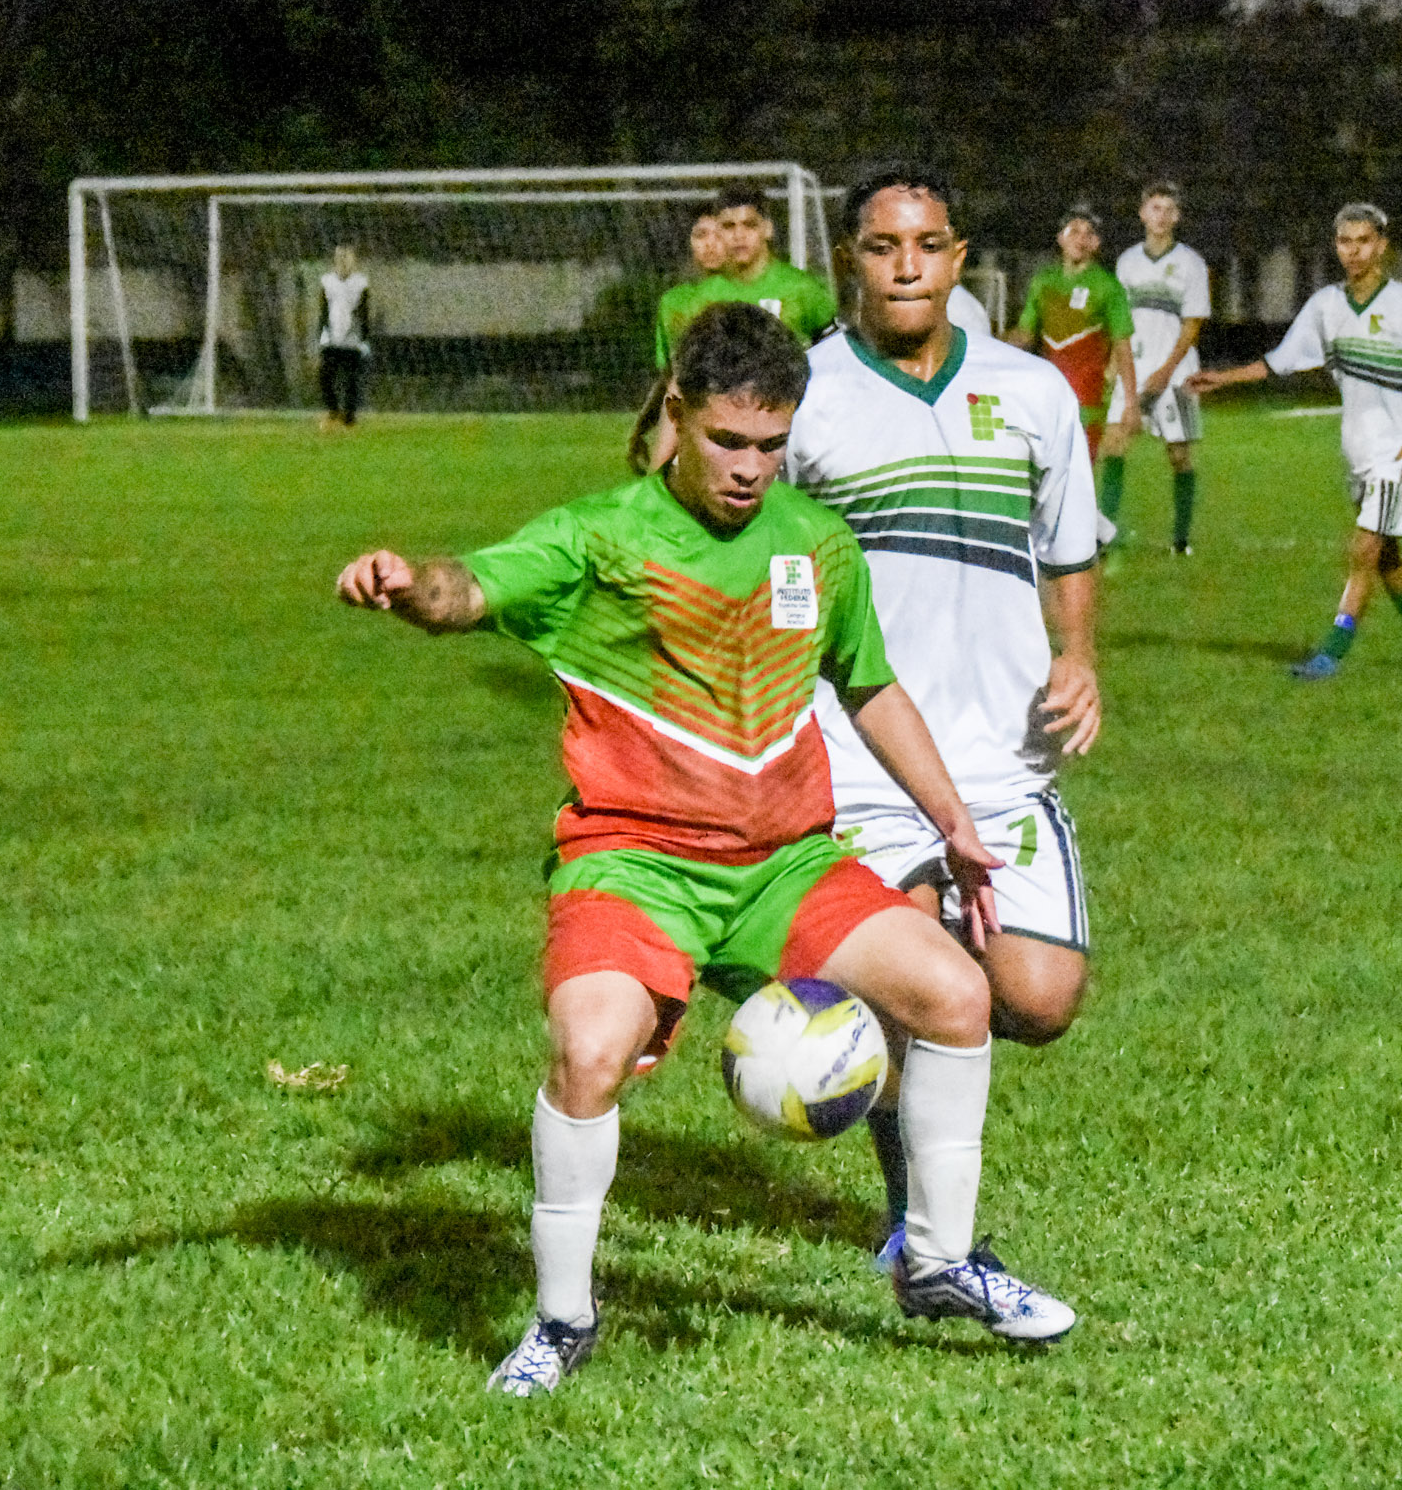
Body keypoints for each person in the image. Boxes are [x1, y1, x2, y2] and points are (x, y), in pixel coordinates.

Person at [336, 304, 1077, 1397]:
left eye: (771, 445)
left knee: (954, 995)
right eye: (728, 442)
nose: (748, 469)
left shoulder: (814, 547)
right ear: (676, 416)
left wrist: (953, 824)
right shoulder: (599, 539)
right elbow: (469, 589)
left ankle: (937, 1260)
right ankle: (560, 1319)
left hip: (782, 865)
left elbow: (866, 686)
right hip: (633, 864)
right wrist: (410, 588)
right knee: (588, 1054)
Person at [784, 165, 1102, 1268]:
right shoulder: (805, 397)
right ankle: (918, 1224)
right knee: (922, 981)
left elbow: (1068, 546)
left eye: (927, 245)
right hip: (861, 752)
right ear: (850, 264)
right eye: (882, 247)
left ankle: (882, 1042)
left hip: (1003, 757)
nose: (906, 265)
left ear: (959, 259)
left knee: (1040, 996)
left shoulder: (1030, 392)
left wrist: (1078, 657)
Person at [1187, 202, 1402, 678]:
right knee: (1387, 555)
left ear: (1382, 246)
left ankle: (1330, 654)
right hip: (1358, 453)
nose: (1353, 251)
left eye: (1363, 241)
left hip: (1395, 457)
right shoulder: (1326, 306)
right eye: (1344, 242)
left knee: (1363, 551)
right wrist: (1224, 379)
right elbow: (1279, 361)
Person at [637, 184, 842, 472]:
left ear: (767, 229)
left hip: (799, 436)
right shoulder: (699, 301)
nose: (738, 235)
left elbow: (835, 364)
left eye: (749, 225)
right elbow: (680, 386)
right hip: (728, 442)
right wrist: (657, 466)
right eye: (728, 226)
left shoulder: (802, 290)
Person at [1097, 182, 1210, 555]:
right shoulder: (1126, 263)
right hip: (1135, 368)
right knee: (1114, 445)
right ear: (1142, 213)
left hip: (1175, 373)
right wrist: (1114, 363)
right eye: (1154, 208)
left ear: (1176, 217)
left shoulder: (1191, 264)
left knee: (1179, 456)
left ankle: (1181, 539)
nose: (1160, 216)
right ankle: (1106, 534)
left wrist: (1167, 369)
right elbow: (1120, 320)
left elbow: (1193, 324)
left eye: (1168, 209)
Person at [1008, 203, 1139, 463]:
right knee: (1043, 466)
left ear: (1096, 243)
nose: (1081, 238)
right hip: (1047, 390)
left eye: (1088, 233)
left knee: (1079, 468)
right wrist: (993, 347)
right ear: (1060, 238)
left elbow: (1122, 345)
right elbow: (1025, 333)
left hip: (1088, 392)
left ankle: (1088, 505)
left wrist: (1131, 403)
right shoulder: (1044, 280)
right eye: (1074, 231)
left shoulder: (1107, 287)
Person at [628, 202, 730, 473]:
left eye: (719, 235)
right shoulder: (674, 301)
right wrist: (641, 427)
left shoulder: (756, 294)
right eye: (700, 235)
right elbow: (671, 375)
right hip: (692, 419)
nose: (710, 244)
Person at [317, 244, 371, 429]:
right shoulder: (327, 281)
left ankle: (349, 417)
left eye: (347, 257)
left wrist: (364, 338)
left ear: (353, 260)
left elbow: (364, 312)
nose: (343, 261)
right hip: (332, 337)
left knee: (352, 380)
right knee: (325, 376)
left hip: (352, 338)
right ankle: (333, 411)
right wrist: (322, 333)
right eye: (340, 257)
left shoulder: (360, 283)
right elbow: (323, 309)